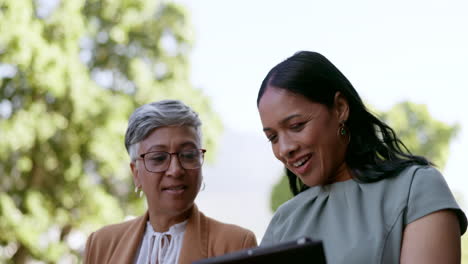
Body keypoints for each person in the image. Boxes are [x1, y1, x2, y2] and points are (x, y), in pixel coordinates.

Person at [257, 51, 467, 263]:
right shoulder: (284, 221)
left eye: (296, 126)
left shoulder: (415, 189)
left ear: (340, 108)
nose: (284, 149)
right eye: (273, 137)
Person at [84, 100, 257, 264]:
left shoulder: (236, 244)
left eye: (188, 155)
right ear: (136, 173)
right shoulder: (101, 245)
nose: (175, 170)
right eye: (159, 158)